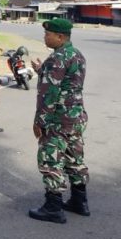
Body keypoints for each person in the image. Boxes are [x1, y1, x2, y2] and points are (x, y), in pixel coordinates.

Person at [28, 18, 90, 224]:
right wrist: (41, 71)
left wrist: (40, 121)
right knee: (75, 158)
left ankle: (53, 207)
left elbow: (50, 93)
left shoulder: (57, 59)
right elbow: (67, 83)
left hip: (57, 119)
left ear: (60, 37)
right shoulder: (76, 55)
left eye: (48, 34)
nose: (45, 37)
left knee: (51, 159)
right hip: (75, 117)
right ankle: (79, 201)